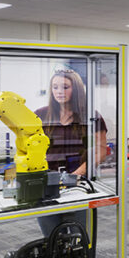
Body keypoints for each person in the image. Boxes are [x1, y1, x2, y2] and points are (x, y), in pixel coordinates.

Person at [34, 67, 108, 237]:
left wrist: (77, 174)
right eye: (55, 87)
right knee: (51, 238)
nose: (59, 92)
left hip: (78, 185)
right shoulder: (40, 115)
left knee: (80, 238)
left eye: (65, 87)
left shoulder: (91, 116)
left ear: (76, 89)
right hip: (47, 185)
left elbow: (101, 151)